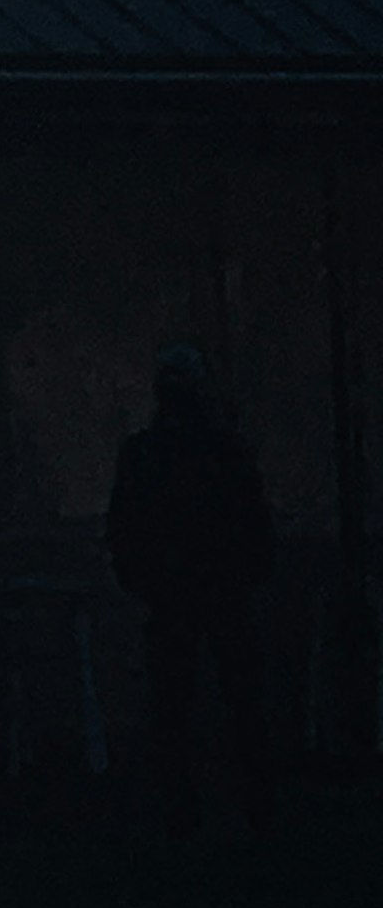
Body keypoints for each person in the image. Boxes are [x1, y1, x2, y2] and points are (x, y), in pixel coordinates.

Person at [105, 346, 274, 823]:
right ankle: (248, 796)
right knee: (232, 693)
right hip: (214, 586)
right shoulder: (223, 450)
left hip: (178, 589)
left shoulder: (147, 453)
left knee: (178, 697)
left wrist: (139, 575)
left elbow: (125, 523)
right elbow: (253, 518)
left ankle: (183, 798)